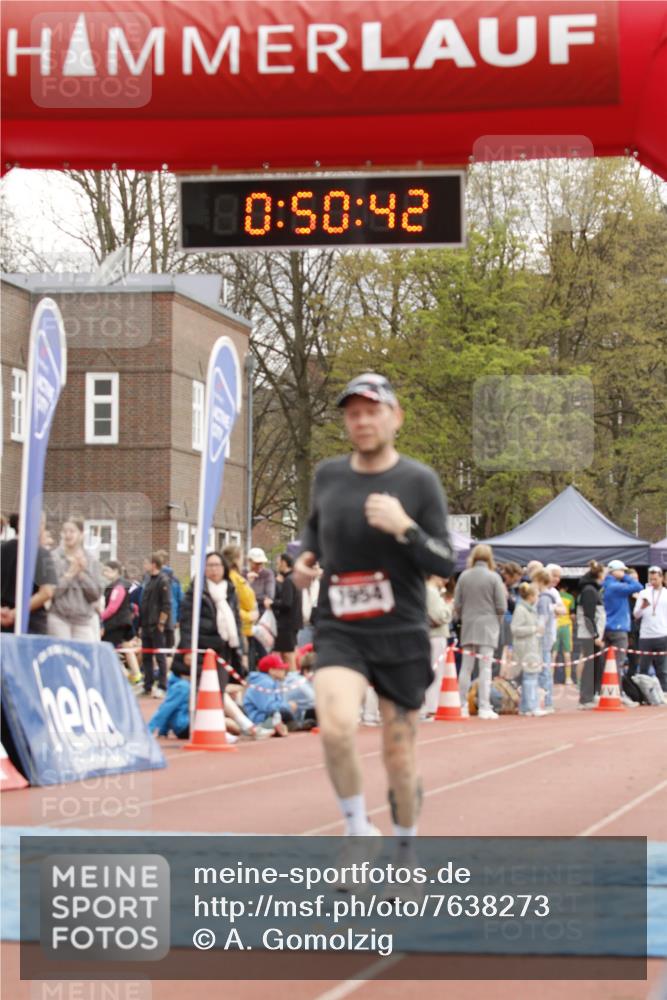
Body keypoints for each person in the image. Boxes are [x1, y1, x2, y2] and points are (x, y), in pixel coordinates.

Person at [293, 372, 455, 840]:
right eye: (353, 413)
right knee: (337, 727)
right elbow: (312, 537)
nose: (362, 421)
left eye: (372, 411)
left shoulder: (419, 481)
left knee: (398, 755)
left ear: (395, 417)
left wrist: (405, 526)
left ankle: (405, 849)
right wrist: (303, 561)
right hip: (341, 628)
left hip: (401, 632)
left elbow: (444, 562)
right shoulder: (329, 475)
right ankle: (357, 830)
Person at [454, 544, 508, 720]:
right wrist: (496, 622)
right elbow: (501, 605)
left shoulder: (463, 576)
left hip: (469, 625)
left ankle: (461, 704)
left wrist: (463, 617)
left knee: (466, 667)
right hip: (488, 626)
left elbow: (458, 603)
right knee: (485, 668)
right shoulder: (494, 577)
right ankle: (484, 706)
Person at [0, 513, 56, 634]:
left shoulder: (2, 550)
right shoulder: (42, 553)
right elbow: (47, 592)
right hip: (32, 624)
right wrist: (15, 613)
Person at [48, 519, 103, 641]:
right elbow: (53, 592)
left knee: (83, 656)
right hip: (59, 617)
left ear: (81, 534)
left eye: (72, 531)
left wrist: (81, 575)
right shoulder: (53, 557)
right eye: (64, 531)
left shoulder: (91, 560)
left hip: (83, 621)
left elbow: (95, 595)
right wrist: (70, 573)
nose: (67, 535)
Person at [602, 559, 643, 704]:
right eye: (623, 571)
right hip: (618, 628)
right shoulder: (615, 586)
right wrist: (624, 576)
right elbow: (638, 586)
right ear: (616, 571)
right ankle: (617, 694)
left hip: (608, 627)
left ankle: (608, 693)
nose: (625, 574)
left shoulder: (605, 584)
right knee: (618, 663)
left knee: (608, 663)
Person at [101, 560, 141, 684]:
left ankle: (125, 675)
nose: (104, 573)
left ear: (115, 571)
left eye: (107, 571)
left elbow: (113, 608)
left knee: (108, 650)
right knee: (127, 648)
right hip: (124, 622)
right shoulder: (119, 585)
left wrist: (100, 618)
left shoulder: (118, 586)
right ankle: (136, 675)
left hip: (116, 624)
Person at [511, 582, 546, 717]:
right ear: (531, 596)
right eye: (536, 595)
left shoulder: (530, 609)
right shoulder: (521, 609)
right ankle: (532, 706)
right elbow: (515, 629)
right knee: (530, 677)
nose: (537, 597)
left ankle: (526, 707)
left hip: (531, 646)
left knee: (530, 677)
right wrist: (534, 629)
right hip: (525, 648)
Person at [139, 552, 172, 697]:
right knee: (146, 656)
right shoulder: (147, 580)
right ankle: (147, 684)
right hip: (146, 624)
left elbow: (166, 604)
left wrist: (161, 622)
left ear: (153, 564)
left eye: (146, 563)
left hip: (156, 625)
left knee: (160, 655)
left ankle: (162, 685)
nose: (144, 565)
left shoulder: (163, 581)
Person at [242, 653, 298, 736]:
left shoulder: (274, 682)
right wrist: (288, 706)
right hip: (258, 720)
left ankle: (287, 726)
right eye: (281, 669)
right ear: (271, 670)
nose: (284, 671)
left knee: (286, 713)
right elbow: (268, 707)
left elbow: (278, 703)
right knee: (284, 712)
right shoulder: (264, 682)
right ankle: (272, 727)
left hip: (269, 716)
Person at [223, 543, 259, 670]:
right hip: (241, 630)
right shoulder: (233, 579)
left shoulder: (238, 578)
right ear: (236, 559)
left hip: (246, 629)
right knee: (243, 670)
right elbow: (231, 605)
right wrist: (249, 616)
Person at [575, 561, 606, 709]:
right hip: (589, 636)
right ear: (599, 574)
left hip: (592, 634)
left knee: (595, 665)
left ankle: (591, 695)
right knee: (590, 666)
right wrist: (595, 636)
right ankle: (585, 698)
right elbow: (588, 616)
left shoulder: (592, 590)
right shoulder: (589, 591)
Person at [422, 575, 452, 719]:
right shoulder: (432, 592)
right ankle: (431, 707)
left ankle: (428, 706)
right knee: (435, 672)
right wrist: (449, 607)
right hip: (435, 636)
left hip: (429, 635)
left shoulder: (427, 590)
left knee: (430, 670)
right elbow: (440, 616)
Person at [633, 566, 667, 692]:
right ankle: (644, 694)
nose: (653, 581)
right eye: (651, 579)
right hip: (646, 636)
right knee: (643, 668)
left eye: (655, 579)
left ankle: (664, 693)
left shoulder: (665, 594)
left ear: (661, 578)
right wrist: (642, 606)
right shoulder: (644, 593)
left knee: (662, 669)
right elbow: (636, 614)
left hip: (662, 634)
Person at [273, 552, 303, 669]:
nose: (277, 566)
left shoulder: (288, 581)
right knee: (291, 651)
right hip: (294, 622)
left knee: (288, 654)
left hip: (287, 624)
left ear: (284, 563)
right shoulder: (295, 578)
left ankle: (294, 679)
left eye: (278, 563)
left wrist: (272, 603)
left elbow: (286, 603)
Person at [553, 580, 576, 685]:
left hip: (555, 625)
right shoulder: (570, 597)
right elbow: (572, 615)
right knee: (567, 653)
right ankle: (568, 678)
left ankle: (550, 677)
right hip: (566, 626)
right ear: (566, 588)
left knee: (553, 653)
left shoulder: (553, 596)